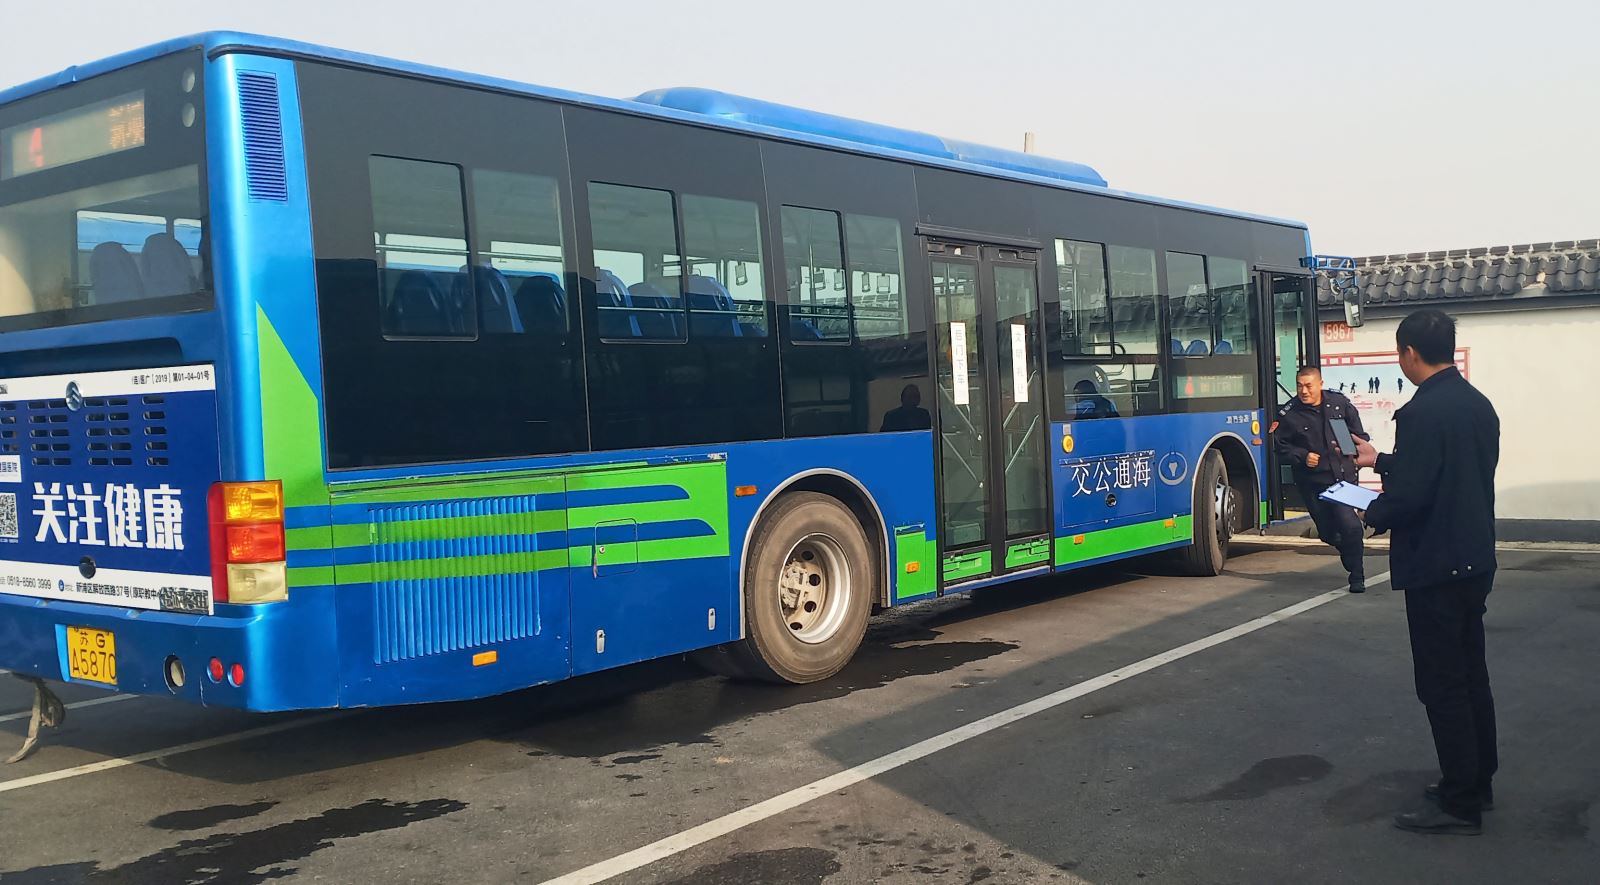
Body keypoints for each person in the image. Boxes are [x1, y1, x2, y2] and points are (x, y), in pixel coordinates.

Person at [1354, 310, 1498, 836]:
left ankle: (1459, 804)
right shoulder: (1477, 405)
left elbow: (1413, 495)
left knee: (1441, 684)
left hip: (1436, 565)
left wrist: (1369, 512)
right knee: (1471, 674)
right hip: (1474, 559)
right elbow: (1446, 471)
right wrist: (1380, 461)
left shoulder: (1420, 413)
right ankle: (1478, 782)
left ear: (1409, 353)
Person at [1273, 366, 1369, 592]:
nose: (1304, 391)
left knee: (1350, 525)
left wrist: (1351, 450)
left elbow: (1359, 435)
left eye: (1308, 386)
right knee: (1327, 533)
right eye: (1299, 386)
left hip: (1342, 477)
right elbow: (1279, 447)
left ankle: (1357, 576)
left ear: (1320, 384)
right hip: (1312, 483)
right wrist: (1302, 456)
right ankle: (1348, 551)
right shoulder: (1290, 414)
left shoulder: (1338, 404)